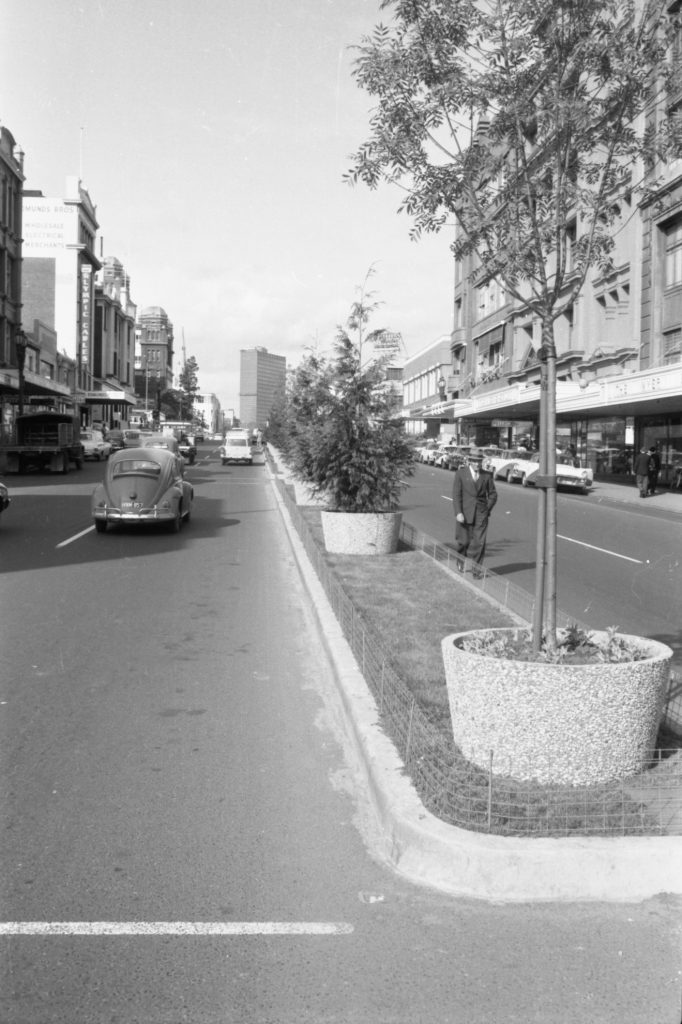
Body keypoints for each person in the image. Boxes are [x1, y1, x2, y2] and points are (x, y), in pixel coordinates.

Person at [452, 447, 498, 578]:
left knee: (479, 543)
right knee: (464, 542)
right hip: (464, 514)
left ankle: (476, 571)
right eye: (474, 461)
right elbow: (456, 495)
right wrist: (458, 512)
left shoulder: (487, 475)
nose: (477, 464)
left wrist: (486, 509)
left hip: (481, 515)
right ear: (469, 461)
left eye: (479, 461)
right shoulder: (461, 473)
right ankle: (460, 560)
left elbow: (493, 495)